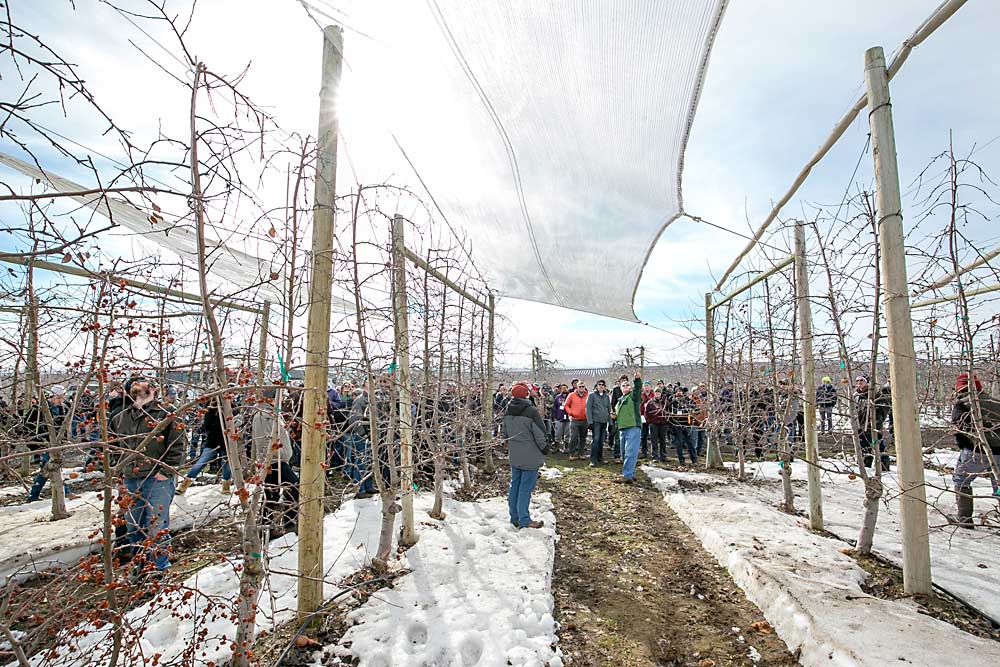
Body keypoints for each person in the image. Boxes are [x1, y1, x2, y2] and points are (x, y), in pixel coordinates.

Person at [111, 375, 186, 574]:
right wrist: (118, 471)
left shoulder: (167, 414)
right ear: (128, 392)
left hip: (157, 479)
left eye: (141, 382)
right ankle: (141, 566)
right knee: (133, 527)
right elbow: (113, 448)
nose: (136, 384)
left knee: (156, 526)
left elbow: (178, 445)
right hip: (130, 479)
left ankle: (159, 570)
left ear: (152, 389)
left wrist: (166, 471)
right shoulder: (119, 418)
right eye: (133, 384)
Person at [950, 373, 1000, 529]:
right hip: (999, 453)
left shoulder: (962, 405)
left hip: (974, 451)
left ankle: (964, 519)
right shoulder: (996, 402)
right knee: (999, 485)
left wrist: (966, 447)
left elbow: (959, 430)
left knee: (961, 480)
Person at [250, 386, 299, 533]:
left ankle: (267, 525)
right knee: (293, 486)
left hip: (277, 459)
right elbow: (265, 440)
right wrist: (275, 454)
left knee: (272, 494)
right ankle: (289, 522)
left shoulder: (270, 413)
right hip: (273, 460)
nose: (283, 398)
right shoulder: (263, 416)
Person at [502, 382, 547, 529]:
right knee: (525, 488)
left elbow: (505, 434)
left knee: (515, 485)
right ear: (526, 395)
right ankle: (524, 520)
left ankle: (514, 517)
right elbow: (540, 434)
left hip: (515, 454)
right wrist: (545, 448)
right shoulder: (531, 411)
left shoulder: (507, 410)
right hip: (530, 455)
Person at [25, 385, 73, 501]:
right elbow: (28, 427)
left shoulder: (64, 408)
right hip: (44, 443)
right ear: (52, 396)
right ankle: (66, 492)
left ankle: (33, 495)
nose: (60, 400)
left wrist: (64, 440)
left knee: (45, 469)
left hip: (57, 443)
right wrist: (36, 444)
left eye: (62, 397)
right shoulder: (39, 409)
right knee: (55, 465)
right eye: (58, 398)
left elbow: (64, 426)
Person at [177, 401, 232, 494]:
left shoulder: (232, 408)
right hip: (212, 441)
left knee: (226, 464)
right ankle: (185, 484)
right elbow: (207, 426)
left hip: (226, 441)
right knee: (201, 462)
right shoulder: (210, 409)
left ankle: (226, 486)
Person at [855, 375, 890, 471]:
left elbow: (884, 409)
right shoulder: (856, 396)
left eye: (861, 380)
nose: (859, 383)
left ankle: (884, 465)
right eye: (857, 381)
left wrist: (877, 421)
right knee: (863, 447)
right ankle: (866, 466)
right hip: (860, 427)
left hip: (874, 426)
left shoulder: (876, 395)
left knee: (878, 445)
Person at [613, 372, 644, 484]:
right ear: (620, 389)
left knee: (631, 452)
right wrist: (613, 415)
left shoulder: (633, 396)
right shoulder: (619, 401)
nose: (625, 387)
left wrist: (637, 379)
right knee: (624, 453)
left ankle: (627, 475)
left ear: (630, 388)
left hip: (633, 427)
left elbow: (638, 389)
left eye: (627, 385)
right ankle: (631, 473)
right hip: (622, 428)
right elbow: (617, 413)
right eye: (623, 385)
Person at [585, 380, 611, 466]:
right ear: (596, 386)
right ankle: (593, 459)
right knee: (596, 440)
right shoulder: (592, 395)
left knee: (601, 440)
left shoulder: (606, 396)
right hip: (595, 421)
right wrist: (590, 421)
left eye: (603, 385)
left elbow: (608, 408)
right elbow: (588, 408)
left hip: (604, 421)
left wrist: (610, 421)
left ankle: (600, 458)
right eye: (599, 384)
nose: (601, 386)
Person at [562, 381, 588, 460]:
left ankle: (581, 453)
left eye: (583, 386)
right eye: (580, 386)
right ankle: (572, 454)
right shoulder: (571, 395)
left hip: (584, 419)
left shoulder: (588, 396)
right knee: (574, 437)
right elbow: (566, 405)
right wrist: (571, 413)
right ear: (577, 387)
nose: (581, 388)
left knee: (583, 438)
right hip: (574, 420)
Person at [645, 387, 671, 462]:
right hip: (654, 424)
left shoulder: (665, 402)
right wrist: (649, 421)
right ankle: (654, 456)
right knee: (654, 440)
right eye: (656, 393)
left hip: (663, 424)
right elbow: (646, 413)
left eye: (659, 393)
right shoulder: (650, 402)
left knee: (663, 440)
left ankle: (663, 456)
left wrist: (667, 421)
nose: (657, 394)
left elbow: (668, 412)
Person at [608, 375, 627, 462]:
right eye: (622, 380)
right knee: (617, 437)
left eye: (625, 380)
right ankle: (617, 455)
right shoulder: (616, 390)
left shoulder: (629, 391)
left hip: (627, 416)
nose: (623, 382)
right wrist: (614, 412)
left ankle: (625, 455)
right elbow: (613, 402)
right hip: (618, 416)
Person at [552, 384, 569, 451]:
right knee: (558, 433)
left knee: (567, 434)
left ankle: (566, 447)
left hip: (568, 419)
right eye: (563, 388)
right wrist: (554, 417)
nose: (564, 389)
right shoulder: (557, 397)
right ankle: (557, 447)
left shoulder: (570, 397)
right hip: (559, 418)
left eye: (565, 388)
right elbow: (554, 408)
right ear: (560, 389)